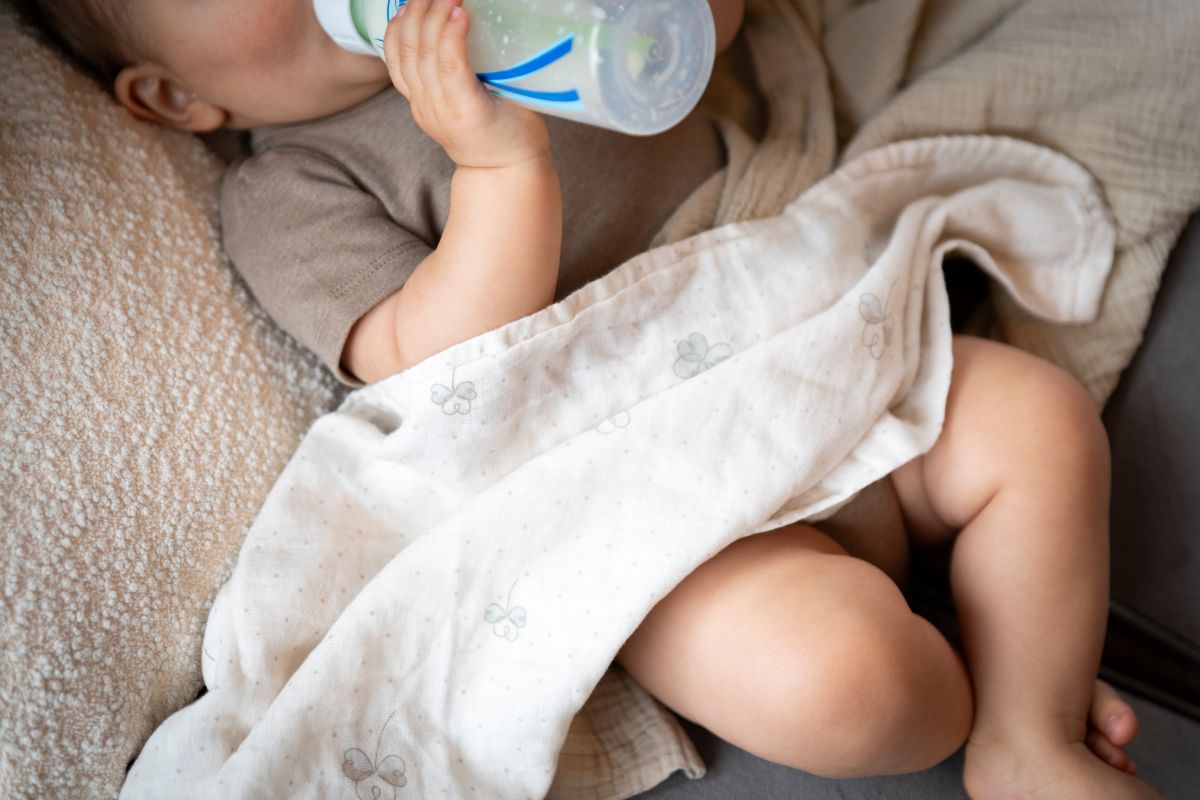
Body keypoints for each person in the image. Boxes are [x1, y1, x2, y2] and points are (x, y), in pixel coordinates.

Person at [15, 0, 1163, 796]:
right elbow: (444, 358)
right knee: (843, 683)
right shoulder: (293, 187)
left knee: (1039, 422)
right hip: (659, 500)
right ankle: (973, 659)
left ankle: (1027, 731)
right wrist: (498, 168)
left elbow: (711, 31)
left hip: (815, 338)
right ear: (174, 97)